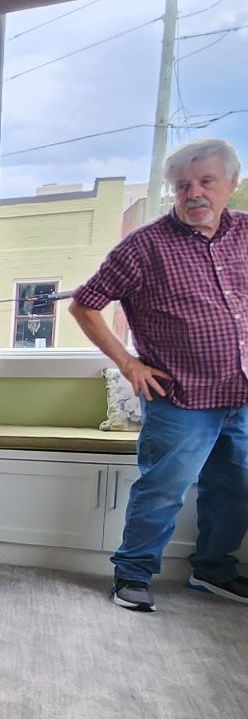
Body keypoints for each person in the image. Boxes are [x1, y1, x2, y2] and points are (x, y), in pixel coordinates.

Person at [68, 137, 247, 609]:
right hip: (180, 398)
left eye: (206, 182)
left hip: (242, 394)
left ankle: (212, 570)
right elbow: (85, 305)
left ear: (231, 182)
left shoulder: (246, 234)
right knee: (164, 490)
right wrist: (127, 364)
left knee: (235, 489)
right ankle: (132, 575)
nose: (194, 194)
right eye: (183, 186)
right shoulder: (145, 246)